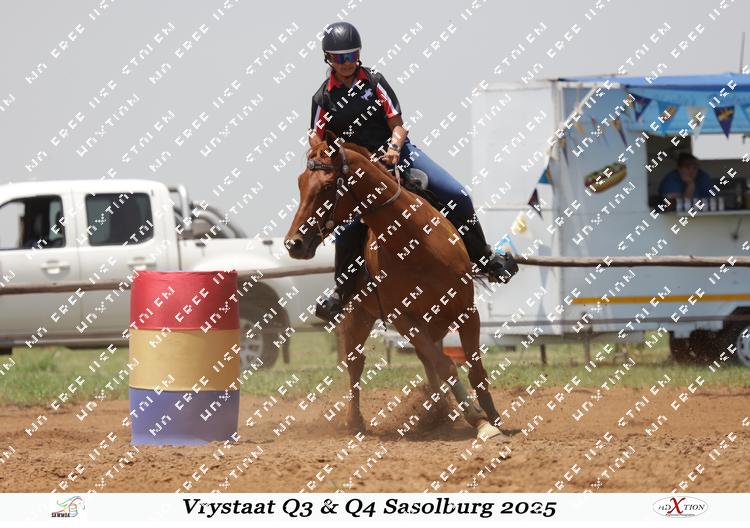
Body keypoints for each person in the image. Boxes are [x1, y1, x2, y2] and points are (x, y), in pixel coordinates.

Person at [308, 21, 518, 323]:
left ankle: (485, 257)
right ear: (328, 58)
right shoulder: (322, 99)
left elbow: (398, 125)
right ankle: (343, 293)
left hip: (398, 155)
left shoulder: (375, 82)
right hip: (359, 174)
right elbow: (316, 139)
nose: (347, 63)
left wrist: (394, 149)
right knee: (348, 228)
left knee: (457, 194)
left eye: (352, 55)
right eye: (340, 58)